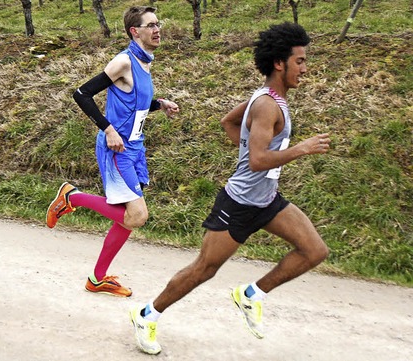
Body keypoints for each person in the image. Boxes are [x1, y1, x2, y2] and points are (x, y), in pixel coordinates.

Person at [129, 22, 331, 355]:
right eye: (300, 61)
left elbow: (229, 122)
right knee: (204, 269)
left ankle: (252, 294)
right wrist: (300, 149)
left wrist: (249, 151)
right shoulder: (267, 105)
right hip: (238, 204)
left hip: (266, 200)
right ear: (279, 63)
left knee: (314, 251)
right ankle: (146, 314)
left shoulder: (268, 98)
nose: (305, 69)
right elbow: (256, 160)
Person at [46, 6, 179, 297]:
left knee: (127, 216)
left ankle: (97, 279)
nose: (158, 29)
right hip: (116, 148)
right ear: (135, 31)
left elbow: (133, 102)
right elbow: (81, 93)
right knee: (137, 215)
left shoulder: (145, 62)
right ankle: (73, 197)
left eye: (158, 23)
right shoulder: (124, 61)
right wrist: (108, 129)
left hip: (135, 148)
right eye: (151, 25)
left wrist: (159, 104)